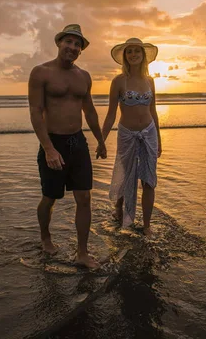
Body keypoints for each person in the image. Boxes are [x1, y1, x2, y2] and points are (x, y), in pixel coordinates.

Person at [28, 24, 107, 269]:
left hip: (77, 142)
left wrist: (100, 140)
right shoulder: (41, 73)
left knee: (84, 197)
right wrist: (49, 148)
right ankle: (45, 237)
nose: (72, 47)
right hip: (54, 141)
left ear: (81, 51)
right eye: (69, 42)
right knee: (50, 198)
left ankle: (82, 253)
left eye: (77, 45)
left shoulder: (83, 76)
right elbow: (36, 112)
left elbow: (90, 111)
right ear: (59, 43)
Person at [102, 38, 162, 237]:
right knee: (126, 174)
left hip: (149, 133)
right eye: (130, 52)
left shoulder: (150, 80)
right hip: (127, 134)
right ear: (125, 56)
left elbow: (153, 111)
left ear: (143, 55)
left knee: (148, 179)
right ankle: (119, 208)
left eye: (137, 51)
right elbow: (111, 113)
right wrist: (101, 139)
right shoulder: (119, 81)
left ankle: (146, 225)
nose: (134, 54)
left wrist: (159, 139)